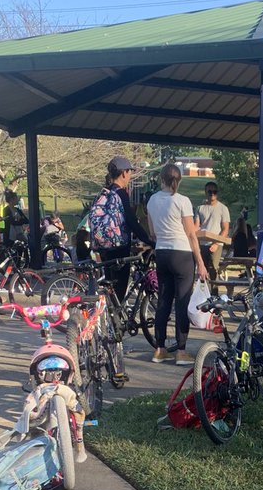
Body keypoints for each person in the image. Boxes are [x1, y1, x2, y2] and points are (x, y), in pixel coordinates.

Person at [146, 161, 208, 366]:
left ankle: (160, 348)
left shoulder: (152, 200)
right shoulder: (182, 201)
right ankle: (181, 351)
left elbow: (152, 232)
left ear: (161, 179)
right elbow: (191, 234)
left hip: (162, 252)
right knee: (182, 301)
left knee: (163, 300)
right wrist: (200, 262)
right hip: (182, 253)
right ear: (178, 181)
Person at [87, 155, 149, 299]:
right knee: (119, 289)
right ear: (123, 173)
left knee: (110, 286)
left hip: (103, 246)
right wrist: (147, 239)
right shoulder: (121, 193)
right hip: (119, 247)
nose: (130, 176)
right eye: (130, 172)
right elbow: (131, 221)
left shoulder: (104, 192)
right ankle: (117, 319)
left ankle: (108, 315)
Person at [195, 181, 231, 282]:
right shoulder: (200, 208)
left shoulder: (223, 208)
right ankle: (203, 294)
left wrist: (216, 244)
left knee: (213, 270)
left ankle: (214, 293)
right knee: (202, 270)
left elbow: (225, 229)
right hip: (202, 243)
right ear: (205, 192)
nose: (212, 194)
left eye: (214, 191)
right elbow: (196, 226)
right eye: (210, 191)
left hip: (216, 244)